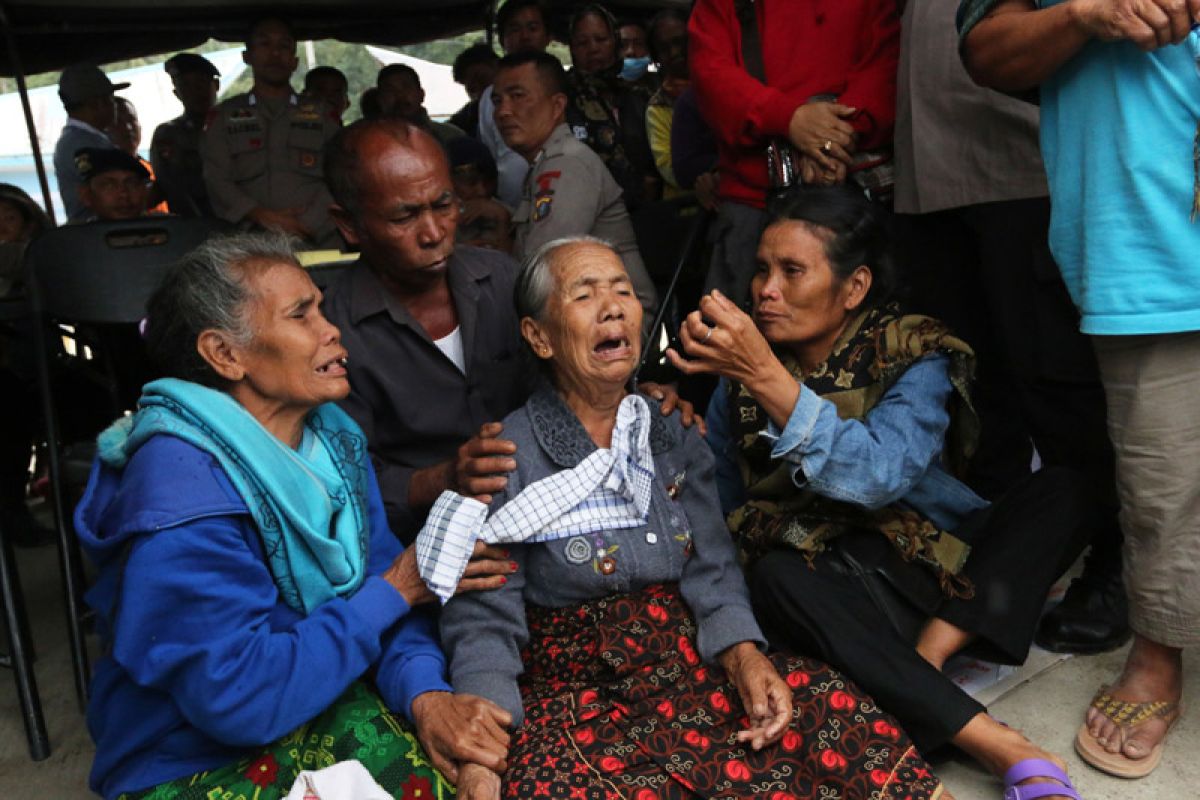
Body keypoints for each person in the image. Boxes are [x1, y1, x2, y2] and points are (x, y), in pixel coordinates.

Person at [433, 235, 945, 800]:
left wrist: (744, 654)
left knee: (824, 709)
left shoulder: (670, 430)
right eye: (584, 295)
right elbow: (484, 620)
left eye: (623, 290)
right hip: (578, 695)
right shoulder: (506, 454)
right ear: (538, 337)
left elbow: (712, 565)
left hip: (689, 662)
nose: (613, 307)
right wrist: (483, 753)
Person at [668, 186, 1089, 799]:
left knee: (1063, 491)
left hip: (936, 567)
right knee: (775, 575)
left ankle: (924, 664)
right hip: (836, 585)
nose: (766, 290)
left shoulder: (913, 352)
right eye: (761, 270)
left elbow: (880, 477)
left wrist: (766, 377)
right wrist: (671, 426)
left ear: (855, 286)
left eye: (792, 271)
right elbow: (719, 509)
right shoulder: (738, 377)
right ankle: (1000, 744)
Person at [75, 233, 514, 800]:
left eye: (322, 307)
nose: (331, 330)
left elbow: (389, 589)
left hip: (326, 692)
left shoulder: (332, 438)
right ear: (225, 354)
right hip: (190, 751)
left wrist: (425, 695)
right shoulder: (181, 493)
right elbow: (239, 699)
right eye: (300, 315)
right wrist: (399, 587)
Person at [960, 0, 1200, 781]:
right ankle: (1160, 651)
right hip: (1145, 244)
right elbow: (986, 51)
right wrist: (1089, 12)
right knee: (1160, 478)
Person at [322, 119, 692, 546]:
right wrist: (440, 479)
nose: (434, 233)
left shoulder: (502, 280)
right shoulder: (330, 332)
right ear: (348, 225)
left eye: (444, 206)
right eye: (404, 216)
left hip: (557, 522)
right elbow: (342, 485)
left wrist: (631, 399)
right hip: (427, 544)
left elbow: (571, 377)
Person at [893, 0, 1126, 655]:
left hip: (1021, 158)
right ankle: (1006, 568)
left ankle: (1114, 563)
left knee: (1060, 388)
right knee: (972, 392)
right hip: (925, 172)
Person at [689, 0, 899, 306]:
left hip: (851, 193)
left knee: (867, 330)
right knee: (733, 333)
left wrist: (830, 141)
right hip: (755, 201)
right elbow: (711, 75)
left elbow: (886, 68)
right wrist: (789, 119)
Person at [493, 51, 657, 332]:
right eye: (497, 100)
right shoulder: (548, 161)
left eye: (517, 96)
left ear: (557, 105)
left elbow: (542, 269)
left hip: (618, 323)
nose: (503, 111)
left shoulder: (566, 162)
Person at [202, 17, 341, 248]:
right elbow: (216, 179)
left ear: (295, 61)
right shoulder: (224, 117)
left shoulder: (324, 115)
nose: (275, 54)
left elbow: (343, 175)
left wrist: (306, 225)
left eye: (283, 46)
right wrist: (263, 216)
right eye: (264, 45)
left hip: (318, 238)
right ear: (247, 57)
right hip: (249, 242)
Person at [564, 4, 658, 208]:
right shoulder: (562, 99)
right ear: (571, 48)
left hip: (647, 210)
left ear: (614, 42)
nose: (593, 48)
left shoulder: (638, 95)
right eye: (582, 42)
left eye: (601, 39)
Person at [477, 0, 553, 207]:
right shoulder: (489, 97)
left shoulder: (567, 88)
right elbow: (490, 153)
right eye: (514, 29)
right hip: (512, 212)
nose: (525, 36)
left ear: (548, 36)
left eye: (533, 28)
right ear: (502, 40)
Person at [53, 63, 126, 222]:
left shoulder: (78, 139)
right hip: (99, 233)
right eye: (111, 100)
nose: (115, 107)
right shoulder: (83, 144)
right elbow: (120, 199)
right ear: (97, 104)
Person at [151, 52, 220, 217]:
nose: (195, 92)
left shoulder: (238, 125)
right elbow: (169, 184)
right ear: (176, 93)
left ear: (216, 85)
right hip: (192, 223)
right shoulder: (169, 135)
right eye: (185, 87)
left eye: (201, 84)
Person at [644, 8, 690, 199]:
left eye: (680, 42)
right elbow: (669, 168)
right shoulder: (658, 107)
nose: (674, 52)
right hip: (686, 206)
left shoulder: (725, 85)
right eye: (664, 48)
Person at [446, 136, 513, 252]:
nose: (482, 191)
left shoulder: (505, 213)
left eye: (488, 182)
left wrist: (502, 220)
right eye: (471, 183)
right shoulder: (438, 222)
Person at [376, 64, 466, 149]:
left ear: (421, 94)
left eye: (406, 87)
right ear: (380, 99)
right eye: (390, 90)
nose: (399, 95)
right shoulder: (371, 143)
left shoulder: (452, 137)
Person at [108, 97, 168, 215]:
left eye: (132, 120)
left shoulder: (151, 167)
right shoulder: (108, 173)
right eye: (118, 122)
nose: (128, 128)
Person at [74, 147, 153, 222]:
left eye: (132, 184)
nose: (124, 194)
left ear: (144, 190)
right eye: (109, 186)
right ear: (86, 195)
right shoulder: (72, 235)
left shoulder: (162, 230)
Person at [449, 43, 500, 137]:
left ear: (497, 66)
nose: (480, 92)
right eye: (472, 89)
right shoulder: (465, 119)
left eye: (481, 78)